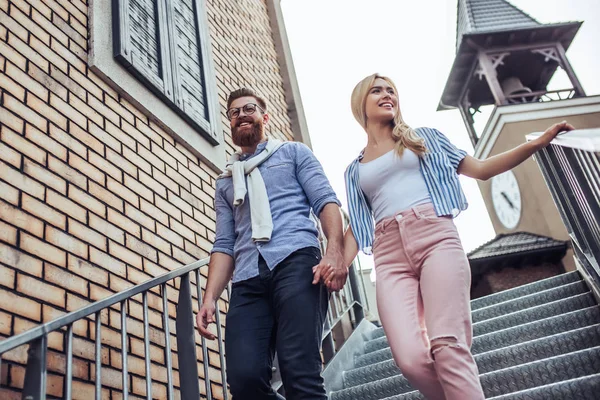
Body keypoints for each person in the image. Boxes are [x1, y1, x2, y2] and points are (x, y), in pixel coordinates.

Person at [314, 73, 574, 399]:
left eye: (391, 90)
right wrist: (335, 262)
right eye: (377, 90)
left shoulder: (424, 139)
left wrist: (536, 143)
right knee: (409, 359)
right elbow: (360, 226)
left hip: (436, 238)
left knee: (447, 345)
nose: (387, 95)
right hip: (388, 254)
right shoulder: (355, 169)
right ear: (360, 104)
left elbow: (480, 169)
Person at [196, 88, 346, 400]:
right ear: (231, 125)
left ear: (265, 117)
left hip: (297, 263)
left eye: (248, 108)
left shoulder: (293, 153)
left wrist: (334, 251)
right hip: (248, 279)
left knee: (297, 369)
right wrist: (210, 297)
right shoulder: (226, 182)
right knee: (244, 380)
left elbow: (326, 202)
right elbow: (224, 243)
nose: (241, 115)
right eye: (234, 113)